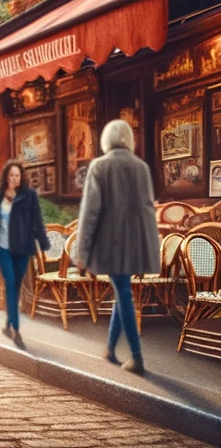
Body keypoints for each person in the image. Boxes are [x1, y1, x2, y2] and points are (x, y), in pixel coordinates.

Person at [74, 119, 160, 376]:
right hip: (135, 242)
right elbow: (147, 209)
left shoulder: (100, 166)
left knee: (122, 292)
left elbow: (90, 212)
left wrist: (82, 254)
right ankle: (111, 349)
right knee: (121, 290)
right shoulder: (141, 167)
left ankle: (137, 356)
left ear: (106, 139)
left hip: (111, 243)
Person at [0, 159, 50, 348]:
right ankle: (16, 331)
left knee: (15, 286)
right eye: (11, 175)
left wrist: (43, 242)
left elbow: (37, 221)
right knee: (10, 281)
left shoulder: (29, 197)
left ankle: (8, 324)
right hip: (2, 249)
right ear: (6, 177)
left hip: (22, 248)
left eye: (17, 175)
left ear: (21, 177)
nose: (14, 178)